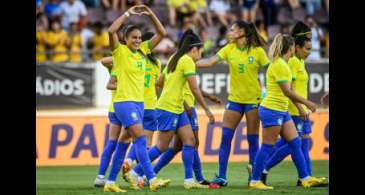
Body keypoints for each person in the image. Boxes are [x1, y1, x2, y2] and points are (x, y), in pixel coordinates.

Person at [126, 29, 215, 190]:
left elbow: (159, 81)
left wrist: (172, 89)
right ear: (194, 49)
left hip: (176, 107)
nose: (200, 56)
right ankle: (135, 172)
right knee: (161, 147)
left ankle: (189, 180)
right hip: (169, 108)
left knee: (190, 141)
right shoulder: (187, 60)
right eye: (201, 52)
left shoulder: (176, 57)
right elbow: (194, 89)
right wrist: (207, 110)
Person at [104, 4, 170, 192]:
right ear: (125, 39)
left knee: (124, 144)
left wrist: (150, 13)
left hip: (139, 104)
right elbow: (111, 30)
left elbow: (162, 33)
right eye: (134, 37)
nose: (138, 41)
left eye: (140, 38)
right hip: (124, 103)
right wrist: (127, 14)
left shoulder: (143, 51)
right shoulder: (119, 52)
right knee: (141, 140)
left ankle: (109, 183)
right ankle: (152, 178)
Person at [196, 21, 270, 186]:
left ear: (242, 32)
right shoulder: (229, 48)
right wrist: (186, 62)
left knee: (252, 140)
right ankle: (222, 176)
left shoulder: (258, 51)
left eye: (232, 29)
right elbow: (209, 62)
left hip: (253, 101)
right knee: (225, 138)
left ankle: (254, 177)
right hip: (235, 101)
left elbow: (271, 70)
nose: (229, 32)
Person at [248, 33, 326, 190]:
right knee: (268, 146)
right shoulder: (280, 65)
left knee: (296, 143)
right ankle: (255, 180)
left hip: (281, 110)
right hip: (272, 110)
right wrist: (307, 103)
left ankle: (305, 178)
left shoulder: (281, 63)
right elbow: (287, 92)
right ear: (290, 48)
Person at [122, 31, 163, 179]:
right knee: (146, 143)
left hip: (136, 104)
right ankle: (139, 175)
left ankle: (129, 159)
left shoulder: (135, 59)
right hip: (151, 105)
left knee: (136, 140)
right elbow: (159, 83)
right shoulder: (156, 63)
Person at [93, 57, 131, 192]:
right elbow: (103, 61)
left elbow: (103, 61)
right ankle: (138, 175)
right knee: (132, 141)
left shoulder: (117, 66)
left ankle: (101, 176)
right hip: (127, 108)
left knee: (112, 142)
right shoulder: (129, 62)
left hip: (114, 108)